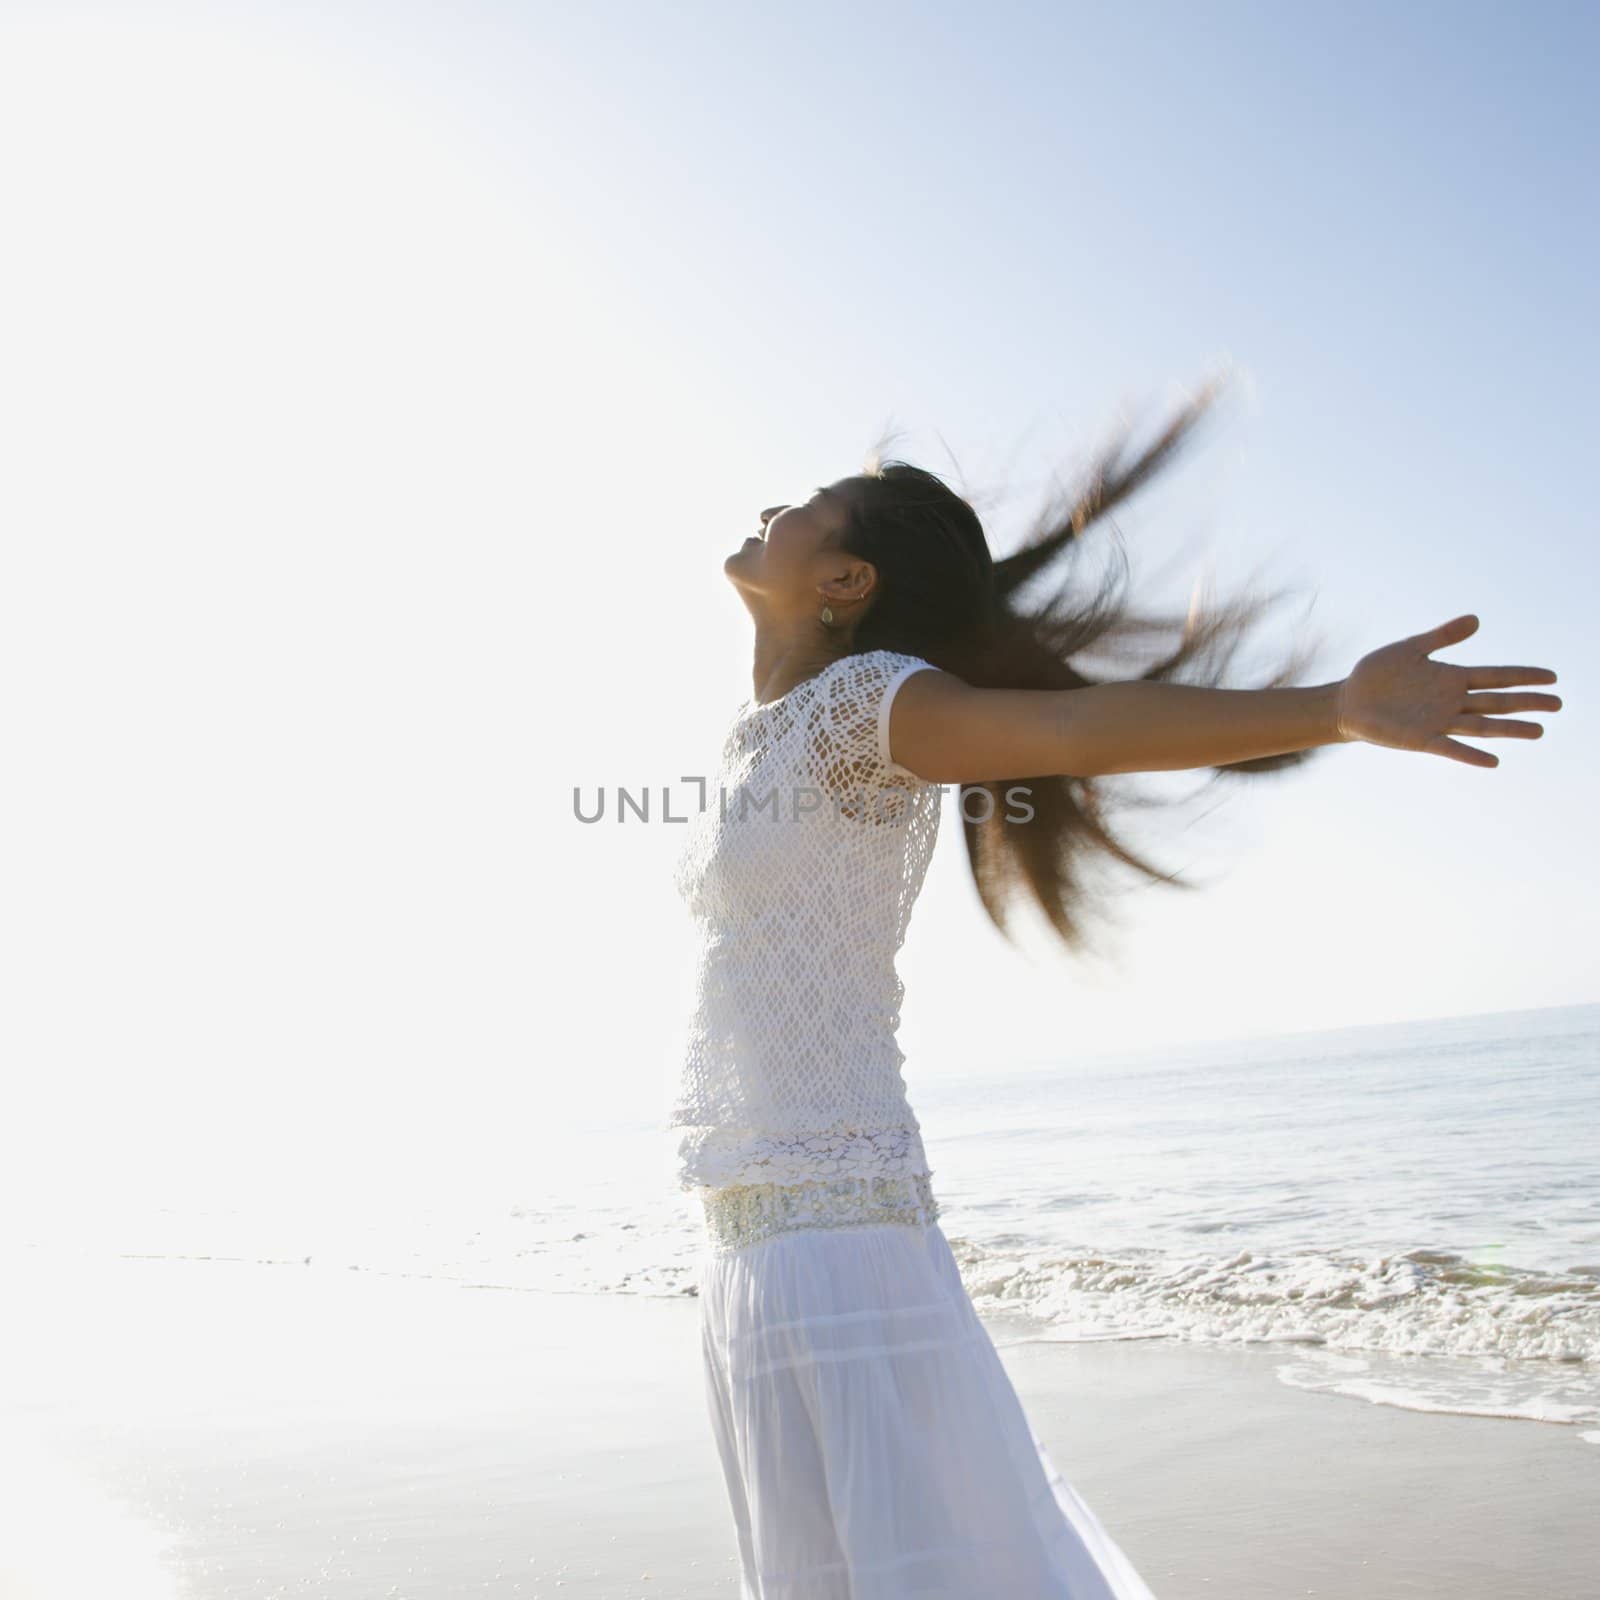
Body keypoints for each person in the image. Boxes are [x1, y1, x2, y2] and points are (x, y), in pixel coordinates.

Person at [666, 377, 1561, 1599]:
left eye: (807, 508)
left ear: (845, 583)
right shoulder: (753, 734)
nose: (775, 506)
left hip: (839, 1225)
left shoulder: (866, 711)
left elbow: (1077, 729)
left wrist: (1337, 712)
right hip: (745, 1220)